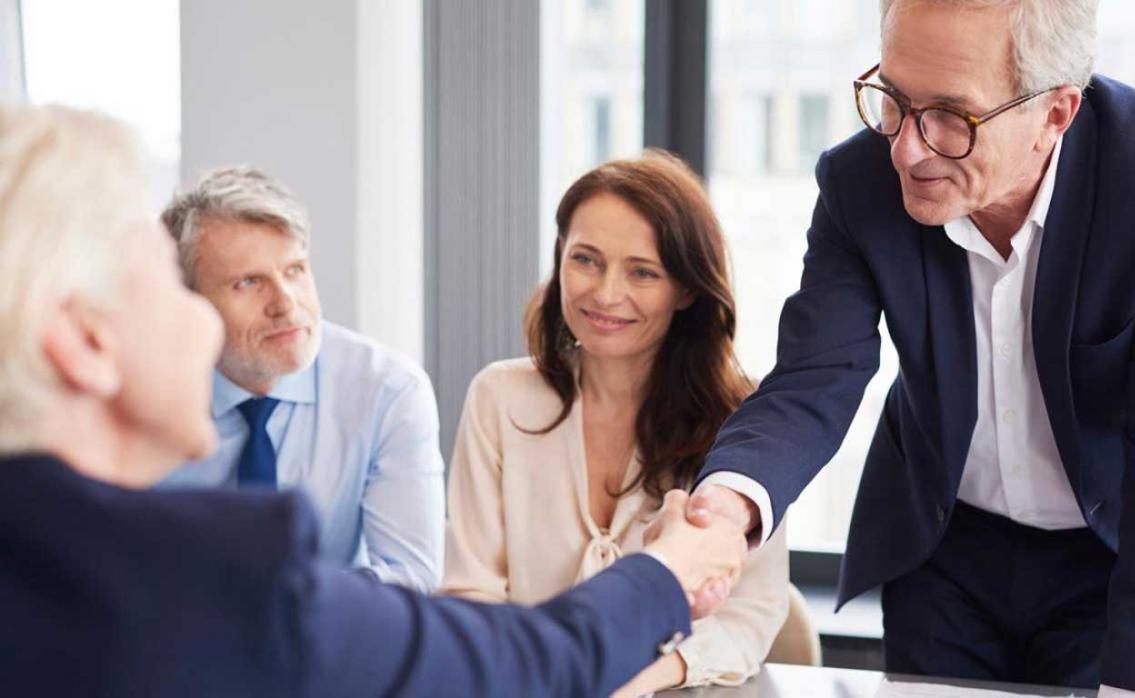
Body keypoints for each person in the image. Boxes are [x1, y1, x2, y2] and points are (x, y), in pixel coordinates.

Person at [0, 103, 747, 697]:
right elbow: (529, 663)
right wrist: (670, 569)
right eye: (164, 284)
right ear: (86, 344)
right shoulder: (203, 582)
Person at [679, 1, 1135, 697]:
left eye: (952, 115)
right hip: (943, 549)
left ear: (1055, 114)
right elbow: (814, 377)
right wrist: (726, 510)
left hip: (1115, 556)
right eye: (892, 97)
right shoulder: (858, 180)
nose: (906, 149)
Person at [439, 150, 788, 695]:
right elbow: (470, 593)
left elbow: (751, 616)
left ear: (688, 289)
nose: (604, 294)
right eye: (586, 260)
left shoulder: (743, 422)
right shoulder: (499, 398)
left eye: (642, 272)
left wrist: (628, 682)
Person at [158, 167, 444, 591]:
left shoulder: (387, 390)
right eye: (249, 282)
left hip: (328, 643)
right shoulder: (144, 392)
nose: (285, 303)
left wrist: (283, 608)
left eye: (294, 270)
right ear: (189, 304)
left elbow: (411, 576)